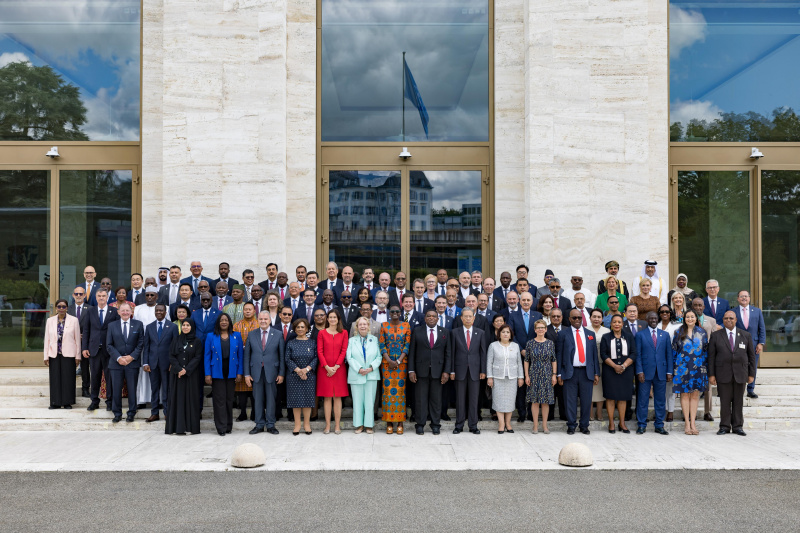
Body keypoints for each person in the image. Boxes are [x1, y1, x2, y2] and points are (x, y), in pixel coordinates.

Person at [708, 311, 756, 436]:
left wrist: (751, 374)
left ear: (736, 320)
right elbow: (711, 357)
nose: (728, 320)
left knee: (738, 401)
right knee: (724, 401)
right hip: (723, 373)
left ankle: (738, 426)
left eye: (731, 318)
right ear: (722, 320)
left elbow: (752, 357)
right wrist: (711, 375)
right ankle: (724, 426)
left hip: (741, 373)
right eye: (725, 318)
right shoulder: (716, 335)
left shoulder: (746, 335)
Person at [408, 309, 451, 435]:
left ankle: (435, 424)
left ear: (438, 319)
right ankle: (420, 424)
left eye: (434, 316)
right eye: (429, 316)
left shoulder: (445, 332)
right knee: (420, 399)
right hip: (421, 371)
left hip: (438, 372)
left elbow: (448, 354)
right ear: (425, 318)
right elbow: (412, 352)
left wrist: (446, 371)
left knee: (436, 399)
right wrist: (411, 370)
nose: (431, 318)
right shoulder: (417, 331)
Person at [557, 309, 600, 435]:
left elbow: (594, 356)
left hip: (586, 372)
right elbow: (559, 354)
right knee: (570, 401)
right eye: (574, 318)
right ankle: (571, 425)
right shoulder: (563, 334)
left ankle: (584, 425)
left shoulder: (590, 334)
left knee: (586, 401)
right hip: (570, 372)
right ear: (569, 319)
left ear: (582, 319)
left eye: (579, 318)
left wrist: (596, 373)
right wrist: (559, 373)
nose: (577, 320)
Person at [243, 311, 285, 435]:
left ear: (269, 320)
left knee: (271, 399)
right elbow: (247, 356)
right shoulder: (251, 334)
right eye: (260, 319)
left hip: (272, 372)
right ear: (258, 320)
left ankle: (271, 424)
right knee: (258, 399)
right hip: (256, 372)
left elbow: (281, 355)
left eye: (265, 319)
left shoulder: (277, 334)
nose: (263, 321)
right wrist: (246, 374)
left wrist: (281, 373)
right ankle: (259, 424)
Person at [634, 311, 673, 435]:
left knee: (660, 400)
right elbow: (638, 355)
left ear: (658, 319)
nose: (653, 320)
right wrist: (639, 371)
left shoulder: (665, 335)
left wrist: (669, 371)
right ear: (647, 320)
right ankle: (641, 425)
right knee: (642, 399)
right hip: (645, 372)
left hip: (661, 372)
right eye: (651, 318)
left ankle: (659, 425)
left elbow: (669, 355)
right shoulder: (640, 335)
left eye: (655, 318)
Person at [205, 313, 243, 436]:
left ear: (229, 322)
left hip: (232, 370)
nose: (224, 322)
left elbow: (240, 356)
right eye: (222, 320)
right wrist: (207, 374)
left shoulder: (236, 335)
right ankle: (220, 427)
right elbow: (207, 356)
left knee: (229, 399)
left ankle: (228, 426)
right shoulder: (211, 336)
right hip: (217, 371)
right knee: (219, 400)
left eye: (226, 320)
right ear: (218, 322)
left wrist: (239, 372)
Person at [106, 302, 145, 423]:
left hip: (132, 363)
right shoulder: (112, 325)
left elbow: (140, 343)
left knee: (132, 389)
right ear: (118, 312)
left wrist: (131, 357)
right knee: (116, 390)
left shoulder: (138, 325)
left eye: (127, 310)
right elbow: (109, 345)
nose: (125, 313)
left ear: (131, 312)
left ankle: (131, 413)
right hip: (116, 363)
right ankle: (117, 413)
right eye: (122, 310)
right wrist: (119, 358)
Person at [450, 307, 487, 435]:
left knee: (474, 399)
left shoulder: (480, 332)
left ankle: (473, 425)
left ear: (474, 318)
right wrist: (452, 371)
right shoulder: (454, 332)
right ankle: (459, 425)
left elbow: (483, 353)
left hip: (475, 371)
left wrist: (483, 370)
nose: (467, 318)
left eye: (470, 316)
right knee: (460, 399)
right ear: (461, 318)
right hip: (459, 371)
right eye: (465, 316)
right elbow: (452, 353)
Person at [671, 310, 708, 435]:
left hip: (698, 368)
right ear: (684, 318)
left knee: (695, 395)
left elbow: (706, 351)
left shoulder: (702, 332)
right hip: (682, 368)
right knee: (685, 395)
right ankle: (687, 423)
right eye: (687, 317)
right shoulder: (678, 332)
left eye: (692, 316)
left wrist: (707, 369)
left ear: (696, 318)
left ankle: (693, 423)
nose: (690, 319)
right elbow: (674, 352)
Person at [82, 288, 119, 411]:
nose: (101, 298)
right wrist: (84, 348)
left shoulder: (114, 311)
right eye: (99, 296)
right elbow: (86, 330)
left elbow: (117, 332)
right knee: (95, 376)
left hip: (109, 350)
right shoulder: (90, 311)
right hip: (94, 349)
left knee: (109, 377)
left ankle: (109, 401)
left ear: (107, 297)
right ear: (96, 298)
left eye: (104, 296)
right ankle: (94, 401)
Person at [599, 314, 636, 434]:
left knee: (623, 397)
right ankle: (611, 423)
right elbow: (603, 354)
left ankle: (622, 423)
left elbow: (633, 353)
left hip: (626, 370)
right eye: (614, 322)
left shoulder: (629, 337)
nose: (616, 324)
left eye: (619, 322)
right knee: (610, 397)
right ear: (611, 324)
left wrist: (623, 366)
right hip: (610, 370)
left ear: (622, 324)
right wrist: (614, 366)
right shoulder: (605, 337)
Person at [165, 320, 203, 435]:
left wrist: (186, 370)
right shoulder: (176, 339)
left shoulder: (197, 341)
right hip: (177, 376)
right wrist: (179, 369)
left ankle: (192, 427)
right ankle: (178, 428)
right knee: (178, 399)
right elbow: (171, 355)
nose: (185, 327)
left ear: (192, 327)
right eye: (184, 325)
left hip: (191, 375)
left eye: (188, 325)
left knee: (191, 400)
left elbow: (197, 357)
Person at [142, 303, 178, 422]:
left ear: (165, 312)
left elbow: (175, 347)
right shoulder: (149, 327)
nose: (158, 312)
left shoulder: (172, 327)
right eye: (157, 310)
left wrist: (173, 363)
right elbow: (146, 346)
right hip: (153, 364)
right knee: (154, 389)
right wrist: (145, 362)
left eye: (161, 310)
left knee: (167, 389)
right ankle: (154, 413)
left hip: (167, 364)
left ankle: (167, 412)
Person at [43, 299, 81, 409]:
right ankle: (55, 402)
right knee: (55, 379)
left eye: (63, 306)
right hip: (54, 354)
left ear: (67, 308)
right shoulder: (50, 321)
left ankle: (67, 402)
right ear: (56, 308)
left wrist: (78, 356)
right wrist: (46, 356)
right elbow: (47, 339)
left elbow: (77, 339)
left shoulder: (74, 320)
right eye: (59, 306)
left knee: (68, 379)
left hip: (69, 354)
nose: (61, 309)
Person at [347, 317, 382, 434]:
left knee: (369, 401)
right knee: (357, 401)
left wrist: (372, 367)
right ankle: (359, 425)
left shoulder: (375, 340)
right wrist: (359, 369)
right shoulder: (352, 340)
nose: (362, 326)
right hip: (356, 374)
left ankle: (369, 425)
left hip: (371, 374)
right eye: (360, 324)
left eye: (365, 324)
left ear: (368, 326)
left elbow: (379, 356)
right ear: (357, 327)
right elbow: (349, 357)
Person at [487, 323, 523, 434]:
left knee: (510, 401)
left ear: (511, 334)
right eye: (503, 332)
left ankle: (508, 423)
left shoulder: (515, 346)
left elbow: (519, 362)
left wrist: (520, 377)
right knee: (498, 401)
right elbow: (489, 362)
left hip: (512, 377)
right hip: (498, 377)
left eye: (507, 332)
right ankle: (501, 424)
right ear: (499, 334)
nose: (505, 334)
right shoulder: (493, 345)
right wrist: (490, 377)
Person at [379, 306, 411, 434]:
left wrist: (397, 361)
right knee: (387, 392)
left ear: (400, 313)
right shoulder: (384, 325)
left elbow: (407, 345)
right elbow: (382, 345)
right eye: (392, 311)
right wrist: (389, 360)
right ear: (389, 313)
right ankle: (388, 422)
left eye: (398, 311)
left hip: (401, 365)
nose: (395, 313)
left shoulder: (406, 325)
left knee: (400, 393)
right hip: (387, 365)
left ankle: (400, 422)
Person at [318, 309, 349, 434]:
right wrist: (326, 367)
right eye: (330, 317)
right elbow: (319, 351)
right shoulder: (322, 333)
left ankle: (337, 425)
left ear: (338, 319)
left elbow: (344, 350)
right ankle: (327, 425)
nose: (332, 319)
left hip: (339, 369)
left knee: (337, 398)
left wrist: (336, 367)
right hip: (324, 370)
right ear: (327, 319)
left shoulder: (344, 333)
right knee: (327, 398)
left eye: (334, 317)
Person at [285, 318, 317, 435]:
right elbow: (287, 359)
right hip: (294, 375)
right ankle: (297, 425)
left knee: (307, 401)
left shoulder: (312, 342)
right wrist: (299, 371)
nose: (300, 329)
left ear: (307, 329)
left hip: (309, 375)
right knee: (296, 401)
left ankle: (306, 424)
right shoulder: (291, 343)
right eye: (298, 327)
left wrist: (306, 370)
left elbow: (315, 358)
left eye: (302, 327)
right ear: (294, 329)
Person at [523, 321, 556, 433]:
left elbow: (554, 360)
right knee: (534, 401)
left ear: (546, 329)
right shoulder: (530, 343)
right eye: (538, 328)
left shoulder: (550, 343)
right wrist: (527, 375)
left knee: (545, 401)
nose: (541, 329)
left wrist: (554, 375)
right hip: (534, 374)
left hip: (547, 374)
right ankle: (535, 426)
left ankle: (545, 426)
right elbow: (526, 360)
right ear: (535, 329)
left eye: (543, 327)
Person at [732, 291, 766, 399]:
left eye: (746, 296)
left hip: (754, 344)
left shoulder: (757, 311)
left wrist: (761, 343)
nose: (744, 298)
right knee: (738, 366)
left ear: (749, 298)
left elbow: (762, 328)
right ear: (738, 298)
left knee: (752, 366)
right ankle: (738, 389)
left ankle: (750, 389)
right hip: (738, 344)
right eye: (741, 296)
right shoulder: (733, 312)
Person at [693, 297, 718, 421]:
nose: (698, 307)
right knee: (691, 384)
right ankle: (689, 411)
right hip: (691, 356)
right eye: (695, 305)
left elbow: (715, 338)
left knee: (707, 385)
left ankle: (707, 411)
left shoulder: (711, 320)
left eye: (700, 305)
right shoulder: (688, 319)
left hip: (707, 355)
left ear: (703, 307)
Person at [233, 302, 259, 421]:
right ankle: (242, 412)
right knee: (241, 388)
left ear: (254, 311)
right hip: (240, 358)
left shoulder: (259, 324)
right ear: (242, 311)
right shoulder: (236, 325)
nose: (247, 311)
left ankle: (254, 412)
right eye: (245, 309)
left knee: (255, 388)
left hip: (255, 359)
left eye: (250, 309)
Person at [656, 304, 681, 421]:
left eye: (667, 311)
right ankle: (661, 410)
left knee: (670, 388)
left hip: (672, 359)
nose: (664, 313)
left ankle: (670, 411)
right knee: (660, 388)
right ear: (659, 314)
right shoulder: (655, 325)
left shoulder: (677, 326)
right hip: (657, 360)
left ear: (671, 313)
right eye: (662, 312)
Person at [68, 286, 91, 398]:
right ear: (73, 295)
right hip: (71, 343)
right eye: (76, 294)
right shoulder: (68, 309)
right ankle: (70, 389)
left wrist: (85, 335)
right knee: (70, 366)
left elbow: (94, 326)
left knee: (85, 367)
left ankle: (85, 389)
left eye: (81, 294)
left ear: (85, 296)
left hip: (85, 342)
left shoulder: (90, 309)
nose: (78, 296)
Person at [588, 308, 611, 422]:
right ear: (590, 318)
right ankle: (590, 412)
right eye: (594, 317)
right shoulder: (585, 330)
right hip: (588, 364)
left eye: (599, 317)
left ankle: (600, 412)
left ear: (602, 319)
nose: (596, 319)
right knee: (590, 389)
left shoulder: (607, 331)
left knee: (601, 389)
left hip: (604, 363)